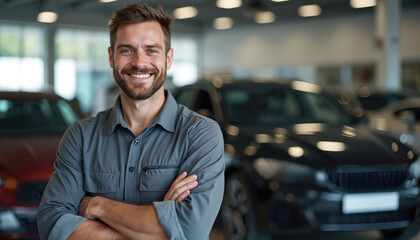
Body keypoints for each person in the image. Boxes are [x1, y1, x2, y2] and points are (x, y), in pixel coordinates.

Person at [36, 4, 225, 240]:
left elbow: (190, 230)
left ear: (168, 58)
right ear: (111, 57)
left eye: (151, 50)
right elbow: (52, 223)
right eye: (127, 50)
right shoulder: (81, 136)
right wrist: (160, 228)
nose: (139, 62)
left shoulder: (200, 134)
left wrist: (97, 206)